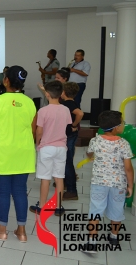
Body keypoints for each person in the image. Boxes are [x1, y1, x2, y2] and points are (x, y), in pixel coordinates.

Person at [0, 66, 37, 242]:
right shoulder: (30, 102)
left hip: (3, 151)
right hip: (24, 151)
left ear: (6, 80)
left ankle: (2, 230)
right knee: (20, 191)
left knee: (3, 192)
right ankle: (22, 231)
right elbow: (33, 131)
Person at [82, 110, 134, 253]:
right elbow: (128, 168)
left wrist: (92, 154)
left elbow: (89, 153)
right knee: (117, 211)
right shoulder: (124, 144)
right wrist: (130, 185)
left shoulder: (95, 140)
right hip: (118, 185)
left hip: (99, 183)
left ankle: (92, 242)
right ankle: (113, 237)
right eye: (122, 122)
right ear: (116, 127)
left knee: (95, 211)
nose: (124, 124)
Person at [29, 81, 72, 216]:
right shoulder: (65, 109)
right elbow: (67, 126)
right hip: (61, 147)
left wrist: (37, 143)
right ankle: (58, 207)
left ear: (47, 94)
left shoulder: (43, 111)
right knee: (59, 178)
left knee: (45, 178)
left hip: (47, 147)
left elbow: (39, 130)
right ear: (62, 94)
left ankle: (42, 206)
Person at [61, 82, 84, 201]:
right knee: (67, 160)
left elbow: (80, 113)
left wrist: (74, 125)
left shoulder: (68, 104)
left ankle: (71, 190)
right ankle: (65, 183)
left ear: (64, 92)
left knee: (67, 162)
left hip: (69, 135)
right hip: (71, 134)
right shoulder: (71, 102)